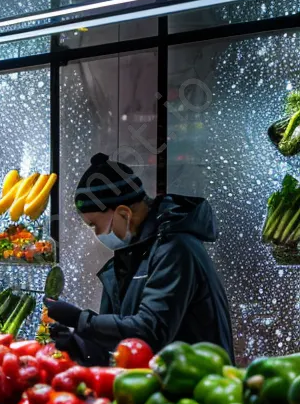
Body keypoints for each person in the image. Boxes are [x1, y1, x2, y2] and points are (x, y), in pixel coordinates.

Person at [44, 153, 234, 364]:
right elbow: (123, 342)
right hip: (154, 384)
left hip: (199, 385)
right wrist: (79, 344)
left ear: (124, 213)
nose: (97, 234)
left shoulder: (176, 250)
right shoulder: (128, 258)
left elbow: (151, 331)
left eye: (95, 225)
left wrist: (80, 320)